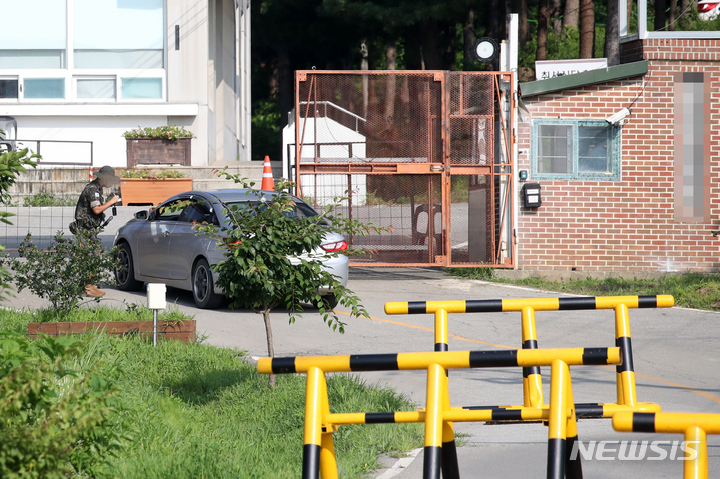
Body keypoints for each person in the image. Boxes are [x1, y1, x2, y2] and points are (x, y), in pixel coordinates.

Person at [70, 165, 120, 298]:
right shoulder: (93, 189)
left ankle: (87, 285)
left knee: (92, 255)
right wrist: (111, 201)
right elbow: (97, 209)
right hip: (84, 229)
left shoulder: (97, 189)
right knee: (91, 256)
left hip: (89, 229)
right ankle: (88, 287)